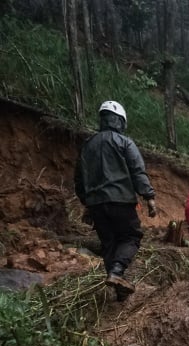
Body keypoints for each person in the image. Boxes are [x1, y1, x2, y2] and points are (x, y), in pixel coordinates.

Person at [74, 101, 157, 301]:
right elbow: (137, 170)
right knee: (131, 237)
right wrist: (149, 197)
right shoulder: (124, 142)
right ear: (120, 121)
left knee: (109, 244)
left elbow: (79, 178)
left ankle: (117, 286)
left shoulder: (88, 145)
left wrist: (87, 202)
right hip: (120, 200)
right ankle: (118, 272)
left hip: (96, 204)